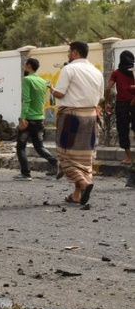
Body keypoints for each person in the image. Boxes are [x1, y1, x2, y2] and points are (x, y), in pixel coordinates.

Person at [50, 41, 104, 205]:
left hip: (71, 116)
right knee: (85, 157)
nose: (68, 54)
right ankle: (76, 195)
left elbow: (60, 93)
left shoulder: (69, 68)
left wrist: (52, 90)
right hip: (91, 116)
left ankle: (84, 184)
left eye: (69, 51)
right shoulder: (96, 72)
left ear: (74, 52)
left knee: (65, 155)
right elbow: (100, 96)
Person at [14, 58, 59, 180]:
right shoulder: (42, 81)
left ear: (29, 66)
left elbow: (27, 100)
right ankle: (56, 163)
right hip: (40, 119)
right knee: (39, 146)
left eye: (25, 66)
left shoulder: (27, 79)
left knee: (20, 146)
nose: (24, 68)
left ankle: (25, 173)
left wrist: (22, 118)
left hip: (28, 119)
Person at [104, 50, 135, 165]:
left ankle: (129, 157)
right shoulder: (134, 71)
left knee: (123, 130)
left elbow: (108, 89)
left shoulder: (116, 73)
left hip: (122, 105)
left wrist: (106, 102)